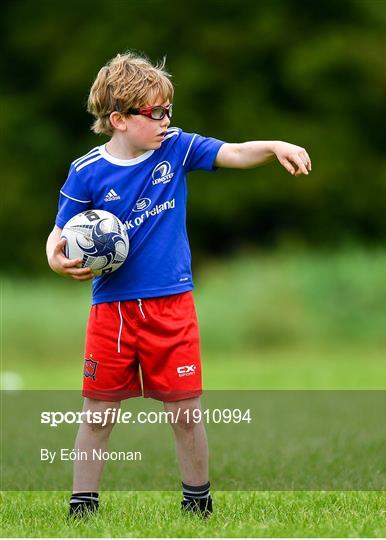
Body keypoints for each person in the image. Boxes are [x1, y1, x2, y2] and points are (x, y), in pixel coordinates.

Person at [46, 52, 311, 519]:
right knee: (98, 414)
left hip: (173, 305)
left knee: (186, 413)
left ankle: (198, 502)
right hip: (113, 312)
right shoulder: (86, 170)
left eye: (169, 109)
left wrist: (272, 146)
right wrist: (55, 257)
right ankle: (82, 507)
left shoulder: (177, 148)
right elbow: (61, 231)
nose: (168, 120)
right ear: (119, 119)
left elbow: (232, 151)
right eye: (156, 112)